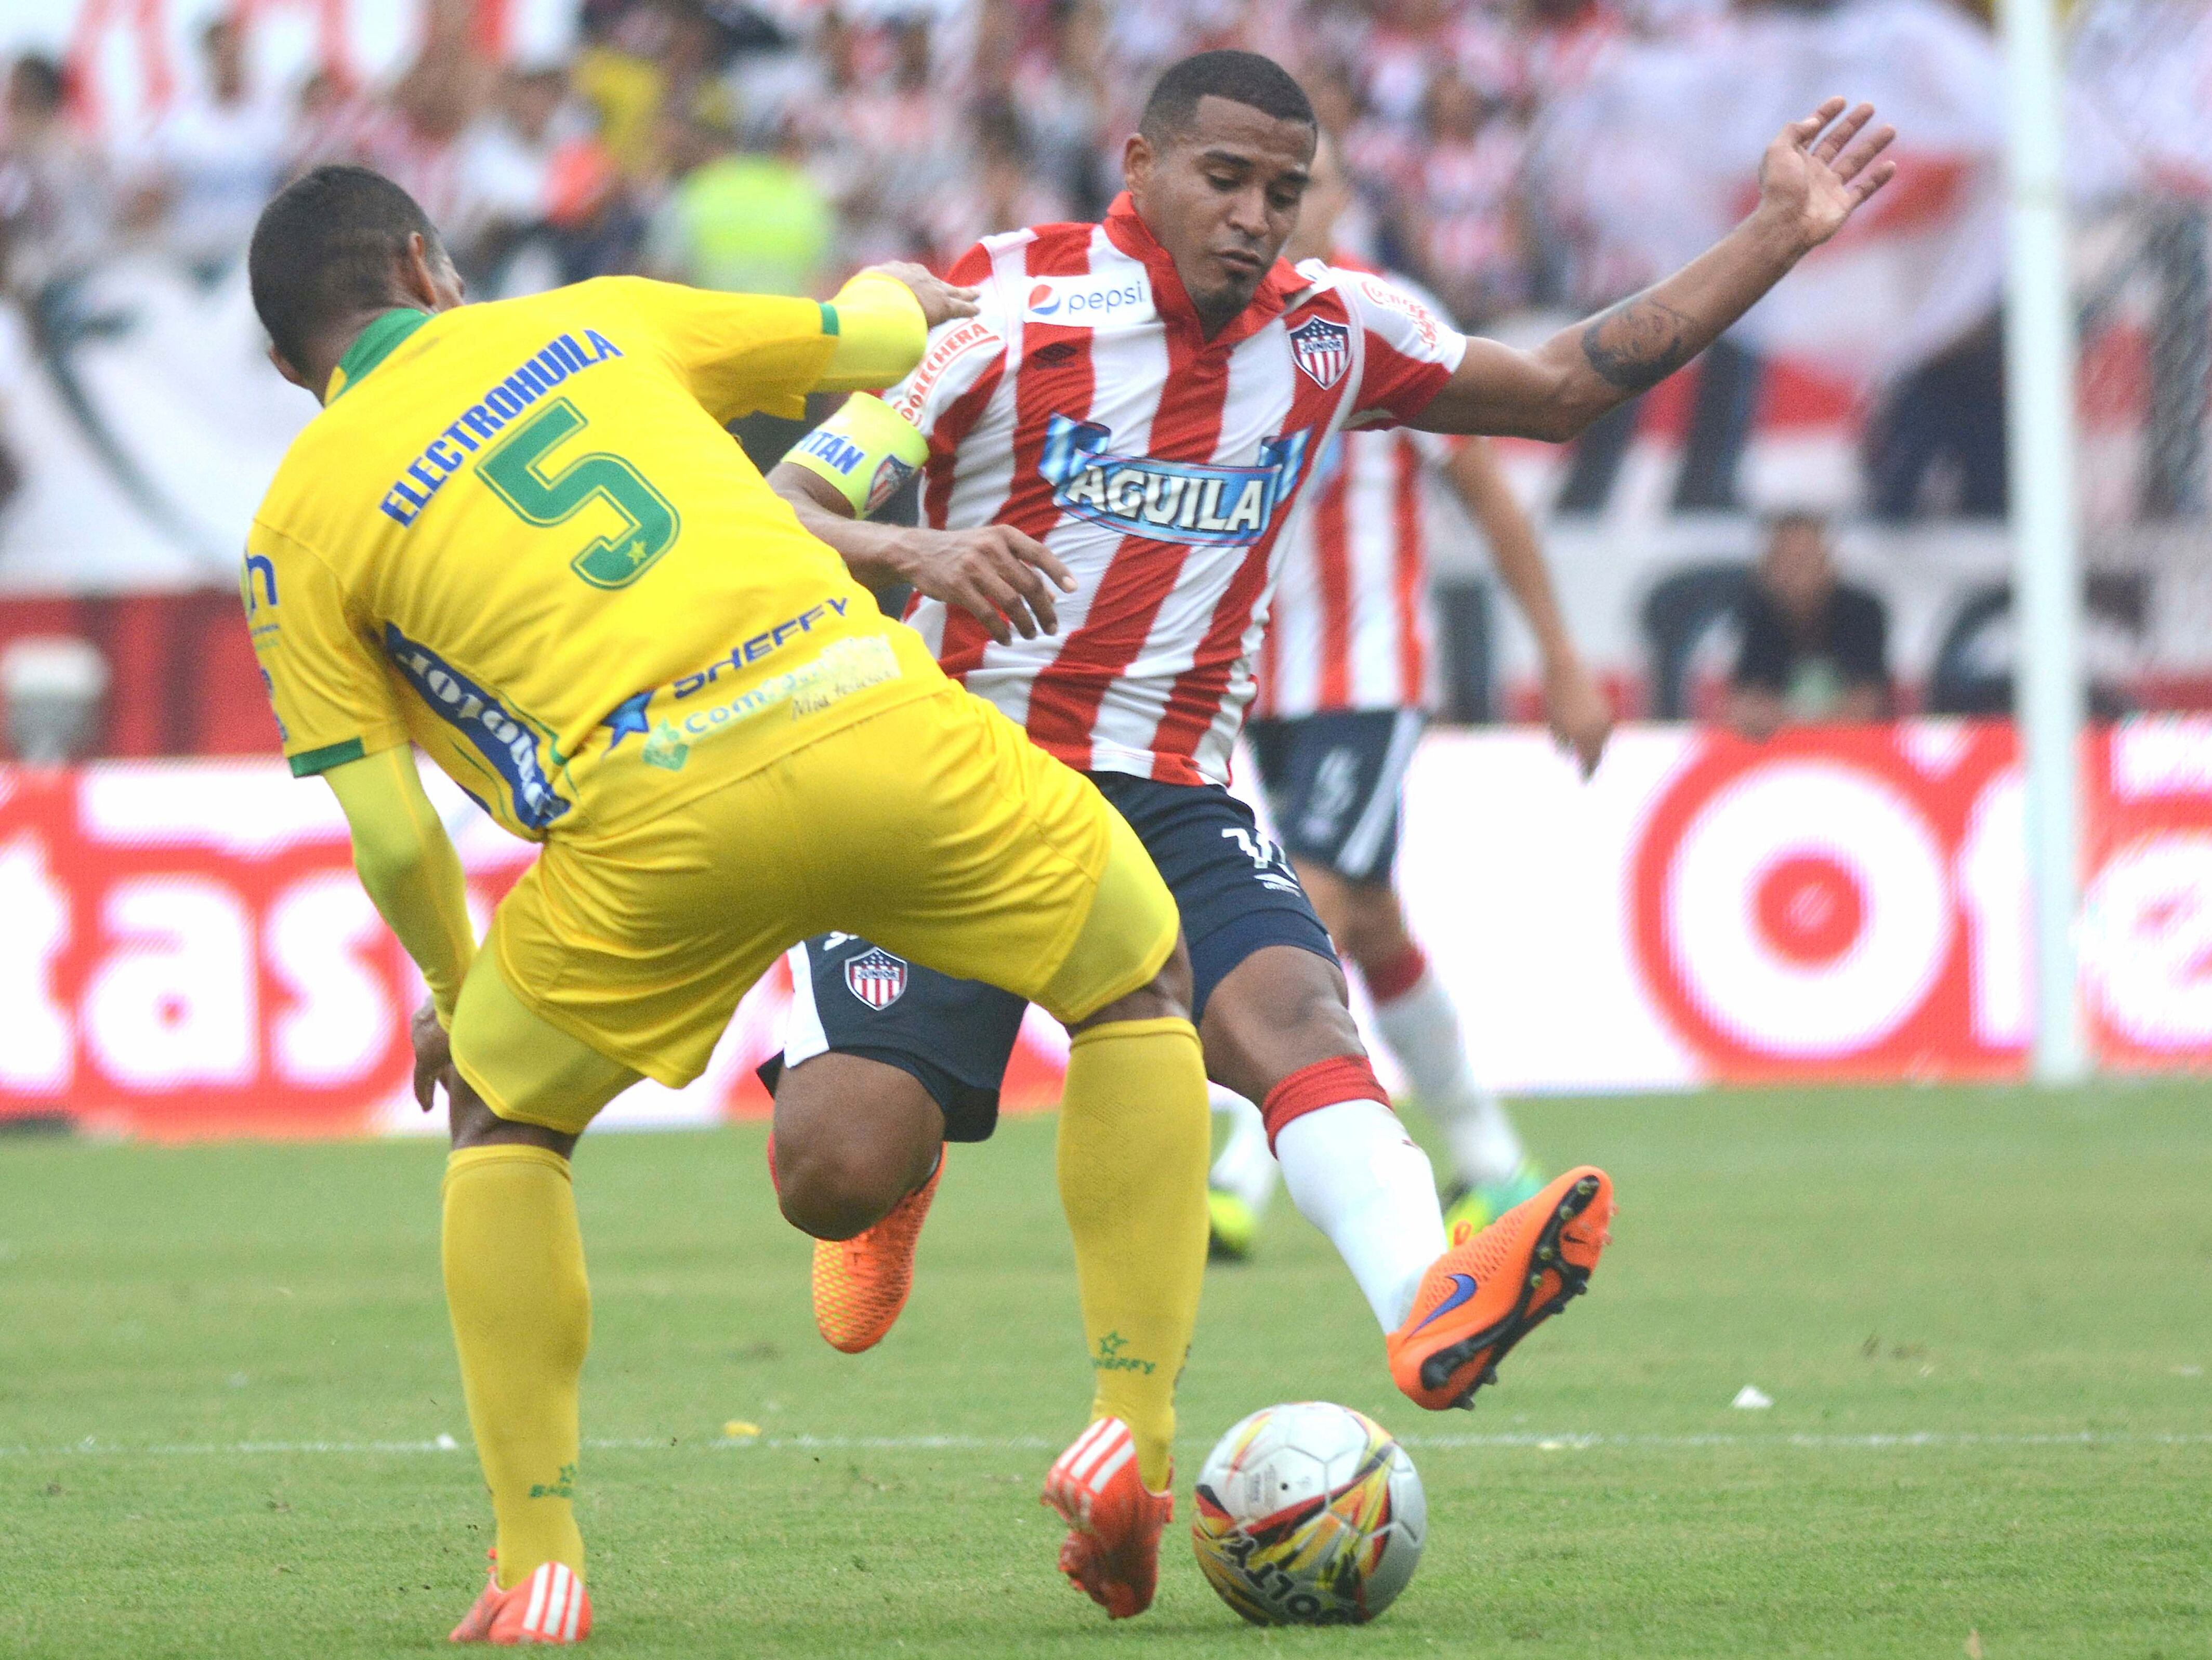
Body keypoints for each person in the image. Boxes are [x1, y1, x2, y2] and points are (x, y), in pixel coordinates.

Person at [761, 47, 1886, 1432]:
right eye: (1224, 178)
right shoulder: (999, 305)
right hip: (956, 780)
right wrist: (915, 550)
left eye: (1282, 191)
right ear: (1141, 168)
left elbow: (1559, 387)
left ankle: (1431, 1299)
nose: (1255, 215)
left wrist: (1777, 232)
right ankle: (905, 1158)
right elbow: (782, 510)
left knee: (1297, 1016)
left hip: (1169, 789)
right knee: (834, 1169)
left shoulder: (1336, 329)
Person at [243, 165, 1216, 1641]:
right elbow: (868, 340)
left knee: (506, 1125)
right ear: (427, 267)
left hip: (652, 822)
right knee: (1135, 979)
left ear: (286, 365)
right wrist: (900, 292)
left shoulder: (292, 530)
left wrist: (456, 995)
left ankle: (537, 1557)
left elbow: (391, 836)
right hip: (871, 718)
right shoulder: (591, 318)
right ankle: (1127, 1428)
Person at [1212, 130, 1614, 1260]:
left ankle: (1235, 1173)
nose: (1282, 205)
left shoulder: (1387, 316)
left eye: (1303, 184)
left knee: (1309, 902)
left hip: (1371, 671)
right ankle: (1493, 1159)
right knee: (1370, 916)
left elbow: (1487, 494)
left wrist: (1561, 658)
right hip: (1260, 681)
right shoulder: (1222, 324)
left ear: (1339, 197)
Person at [1725, 511, 1891, 737]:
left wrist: (1800, 727)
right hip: (1776, 750)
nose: (1796, 573)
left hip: (1856, 747)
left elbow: (1868, 701)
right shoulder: (1753, 614)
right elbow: (1747, 703)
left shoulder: (1864, 613)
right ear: (1766, 568)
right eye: (1785, 561)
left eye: (1805, 560)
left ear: (1828, 563)